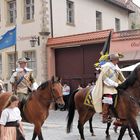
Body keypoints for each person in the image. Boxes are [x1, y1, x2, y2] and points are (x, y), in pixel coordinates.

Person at [92, 53, 125, 123]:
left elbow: (121, 77)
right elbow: (104, 77)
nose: (118, 61)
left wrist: (126, 82)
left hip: (116, 86)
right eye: (117, 59)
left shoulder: (116, 67)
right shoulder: (107, 66)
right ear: (113, 60)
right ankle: (104, 116)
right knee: (108, 99)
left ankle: (118, 116)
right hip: (108, 86)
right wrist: (115, 84)